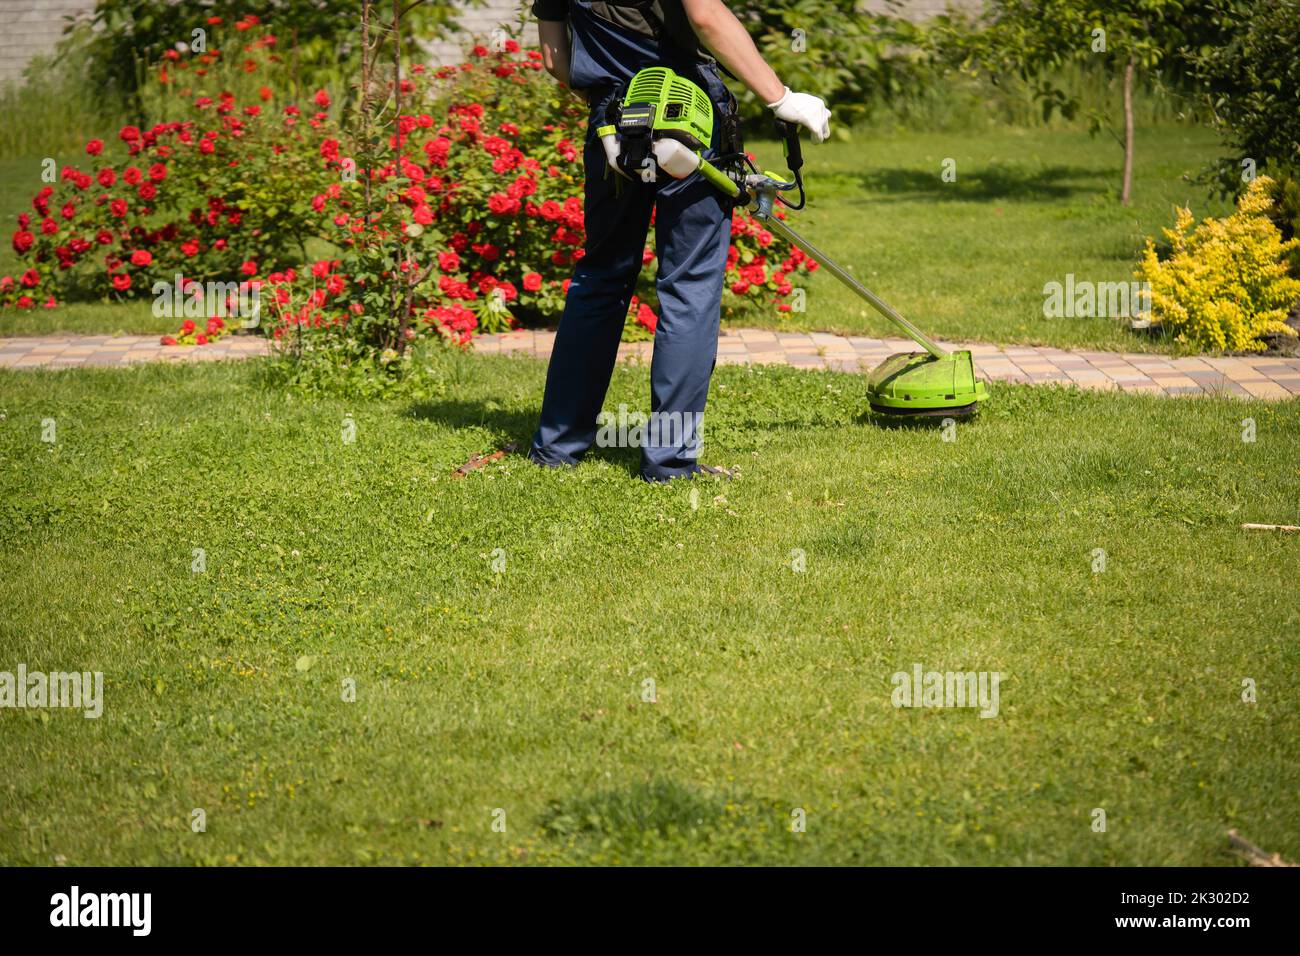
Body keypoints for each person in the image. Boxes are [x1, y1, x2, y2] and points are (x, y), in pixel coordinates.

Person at [527, 0, 831, 482]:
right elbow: (707, 15)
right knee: (688, 287)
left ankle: (557, 447)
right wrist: (780, 97)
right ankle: (668, 463)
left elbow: (555, 59)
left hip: (612, 130)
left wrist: (616, 102)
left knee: (601, 277)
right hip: (687, 124)